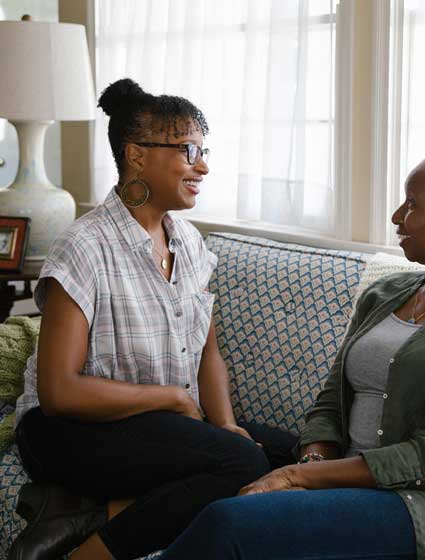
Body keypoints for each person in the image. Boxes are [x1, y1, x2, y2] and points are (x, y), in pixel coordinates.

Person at [159, 150, 425, 560]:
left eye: (412, 205)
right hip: (346, 469)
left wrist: (299, 477)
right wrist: (313, 460)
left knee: (228, 523)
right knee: (221, 451)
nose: (397, 217)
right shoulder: (386, 293)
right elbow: (331, 401)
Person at [9, 78, 297, 560]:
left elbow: (208, 351)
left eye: (204, 150)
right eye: (188, 150)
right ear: (136, 155)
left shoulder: (190, 243)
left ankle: (88, 514)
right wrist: (172, 399)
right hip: (64, 431)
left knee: (294, 455)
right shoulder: (84, 247)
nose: (203, 165)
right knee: (241, 463)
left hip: (153, 425)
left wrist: (222, 423)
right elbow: (59, 392)